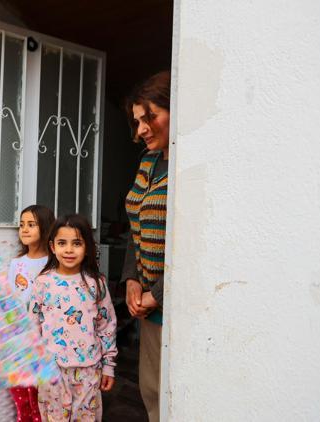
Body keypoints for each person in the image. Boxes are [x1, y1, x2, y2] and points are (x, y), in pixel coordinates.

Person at [30, 214, 118, 422]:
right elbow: (32, 326)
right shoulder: (42, 282)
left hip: (88, 371)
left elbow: (107, 326)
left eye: (76, 243)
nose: (69, 250)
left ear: (87, 247)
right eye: (62, 243)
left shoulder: (97, 283)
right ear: (52, 247)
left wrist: (109, 366)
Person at [121, 70, 171, 422]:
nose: (141, 129)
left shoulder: (189, 165)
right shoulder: (149, 162)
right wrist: (132, 280)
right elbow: (134, 222)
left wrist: (160, 292)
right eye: (138, 120)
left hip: (173, 306)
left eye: (150, 117)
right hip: (149, 306)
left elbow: (194, 247)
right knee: (151, 392)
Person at [7, 204, 55, 422]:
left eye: (31, 225)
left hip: (43, 340)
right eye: (21, 225)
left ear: (45, 228)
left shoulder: (53, 264)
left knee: (41, 399)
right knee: (21, 398)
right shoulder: (16, 263)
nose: (24, 230)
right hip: (18, 340)